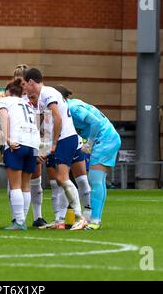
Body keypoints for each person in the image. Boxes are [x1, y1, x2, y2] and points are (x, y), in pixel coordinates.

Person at [23, 68, 87, 231]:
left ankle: (80, 217)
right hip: (63, 138)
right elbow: (46, 123)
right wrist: (43, 147)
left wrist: (54, 143)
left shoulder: (47, 93)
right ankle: (59, 219)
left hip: (65, 138)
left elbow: (57, 117)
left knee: (63, 178)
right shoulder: (43, 96)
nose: (25, 88)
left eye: (25, 84)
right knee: (59, 180)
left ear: (31, 82)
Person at [65, 95, 121, 230]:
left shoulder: (73, 108)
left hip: (104, 140)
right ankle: (92, 218)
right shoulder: (72, 105)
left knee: (95, 180)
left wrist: (89, 143)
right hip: (106, 138)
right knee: (97, 180)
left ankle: (95, 220)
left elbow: (95, 122)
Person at [0, 78, 40, 230]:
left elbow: (4, 118)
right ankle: (22, 220)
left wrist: (6, 138)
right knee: (26, 185)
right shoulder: (28, 104)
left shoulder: (5, 101)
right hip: (33, 143)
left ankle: (19, 222)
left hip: (17, 142)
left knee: (15, 184)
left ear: (8, 91)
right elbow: (36, 122)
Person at [13, 64, 46, 228]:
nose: (22, 86)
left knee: (35, 178)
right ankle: (17, 216)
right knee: (14, 182)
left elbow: (43, 124)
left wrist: (43, 148)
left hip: (32, 141)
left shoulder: (37, 98)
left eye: (23, 82)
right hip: (16, 142)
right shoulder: (11, 97)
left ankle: (37, 216)